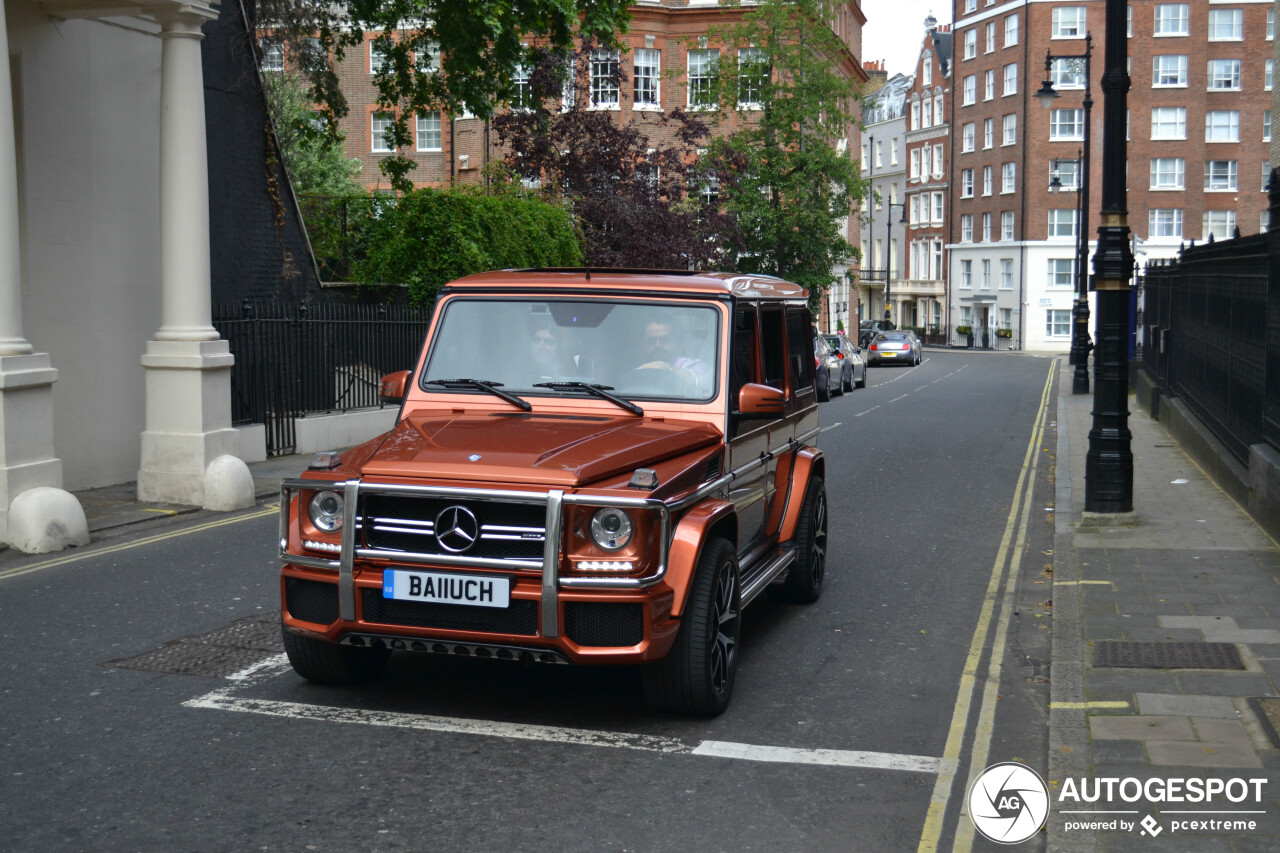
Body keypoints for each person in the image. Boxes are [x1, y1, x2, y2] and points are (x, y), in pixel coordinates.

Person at [634, 318, 713, 394]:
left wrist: (664, 367)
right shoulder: (637, 373)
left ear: (676, 342)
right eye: (652, 341)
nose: (658, 345)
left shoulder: (696, 366)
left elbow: (700, 384)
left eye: (664, 339)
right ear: (643, 345)